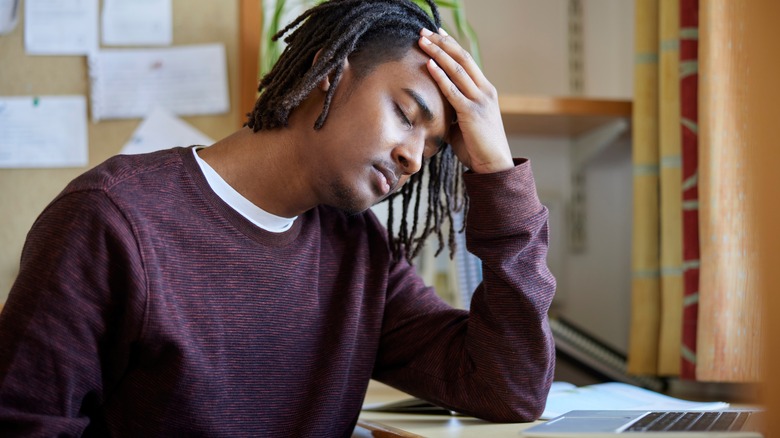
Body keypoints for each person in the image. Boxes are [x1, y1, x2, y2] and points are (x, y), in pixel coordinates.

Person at [0, 0, 556, 436]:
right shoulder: (112, 218)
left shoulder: (357, 248)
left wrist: (497, 172)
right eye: (406, 115)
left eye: (433, 151)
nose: (413, 157)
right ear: (324, 74)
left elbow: (507, 386)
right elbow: (25, 423)